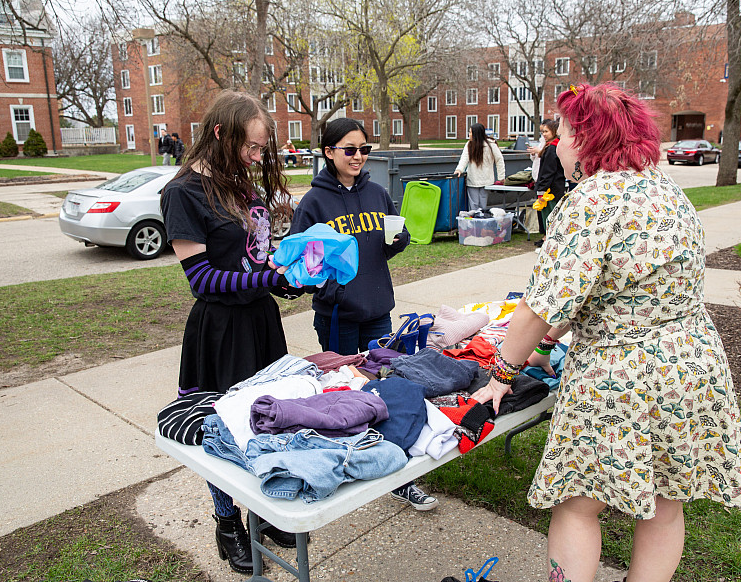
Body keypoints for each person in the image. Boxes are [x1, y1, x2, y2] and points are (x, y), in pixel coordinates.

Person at [471, 84, 741, 582]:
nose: (555, 143)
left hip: (621, 375)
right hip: (692, 366)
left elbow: (540, 305)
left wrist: (501, 373)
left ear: (584, 138)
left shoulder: (592, 201)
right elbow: (604, 283)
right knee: (666, 500)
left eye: (562, 132)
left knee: (578, 503)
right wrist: (553, 341)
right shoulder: (665, 190)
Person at [160, 90, 303, 575]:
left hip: (260, 321)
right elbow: (201, 279)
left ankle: (262, 511)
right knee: (222, 431)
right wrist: (268, 278)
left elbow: (256, 257)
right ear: (221, 134)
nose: (259, 157)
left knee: (265, 421)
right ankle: (228, 524)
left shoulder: (241, 186)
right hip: (220, 330)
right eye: (253, 147)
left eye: (263, 149)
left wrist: (287, 272)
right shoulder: (182, 193)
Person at [289, 117, 438, 512]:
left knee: (387, 388)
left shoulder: (377, 194)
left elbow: (381, 248)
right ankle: (344, 465)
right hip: (338, 315)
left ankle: (400, 474)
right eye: (350, 150)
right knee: (343, 393)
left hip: (377, 311)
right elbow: (305, 269)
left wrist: (398, 242)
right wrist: (328, 278)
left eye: (364, 150)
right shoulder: (314, 203)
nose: (358, 157)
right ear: (328, 152)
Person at [528, 119, 567, 248]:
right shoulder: (554, 146)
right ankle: (547, 239)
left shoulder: (551, 149)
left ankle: (548, 241)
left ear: (553, 131)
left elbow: (547, 171)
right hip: (555, 187)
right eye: (542, 132)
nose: (543, 134)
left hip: (550, 190)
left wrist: (541, 188)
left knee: (549, 216)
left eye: (546, 131)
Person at [453, 122, 506, 211]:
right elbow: (464, 159)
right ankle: (479, 222)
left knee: (475, 205)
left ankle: (477, 222)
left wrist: (501, 177)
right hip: (480, 180)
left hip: (479, 180)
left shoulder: (490, 144)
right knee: (480, 205)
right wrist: (459, 169)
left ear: (476, 134)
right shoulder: (471, 144)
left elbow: (499, 160)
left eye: (470, 132)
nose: (469, 134)